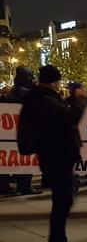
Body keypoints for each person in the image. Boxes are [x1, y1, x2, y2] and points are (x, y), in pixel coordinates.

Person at [20, 65, 87, 242]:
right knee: (63, 200)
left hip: (55, 153)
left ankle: (58, 241)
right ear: (54, 81)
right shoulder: (43, 99)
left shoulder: (41, 97)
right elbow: (69, 117)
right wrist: (81, 100)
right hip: (57, 155)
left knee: (63, 198)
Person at [7, 67, 39, 195]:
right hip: (24, 130)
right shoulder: (25, 92)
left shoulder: (13, 91)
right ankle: (25, 185)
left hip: (11, 130)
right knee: (25, 159)